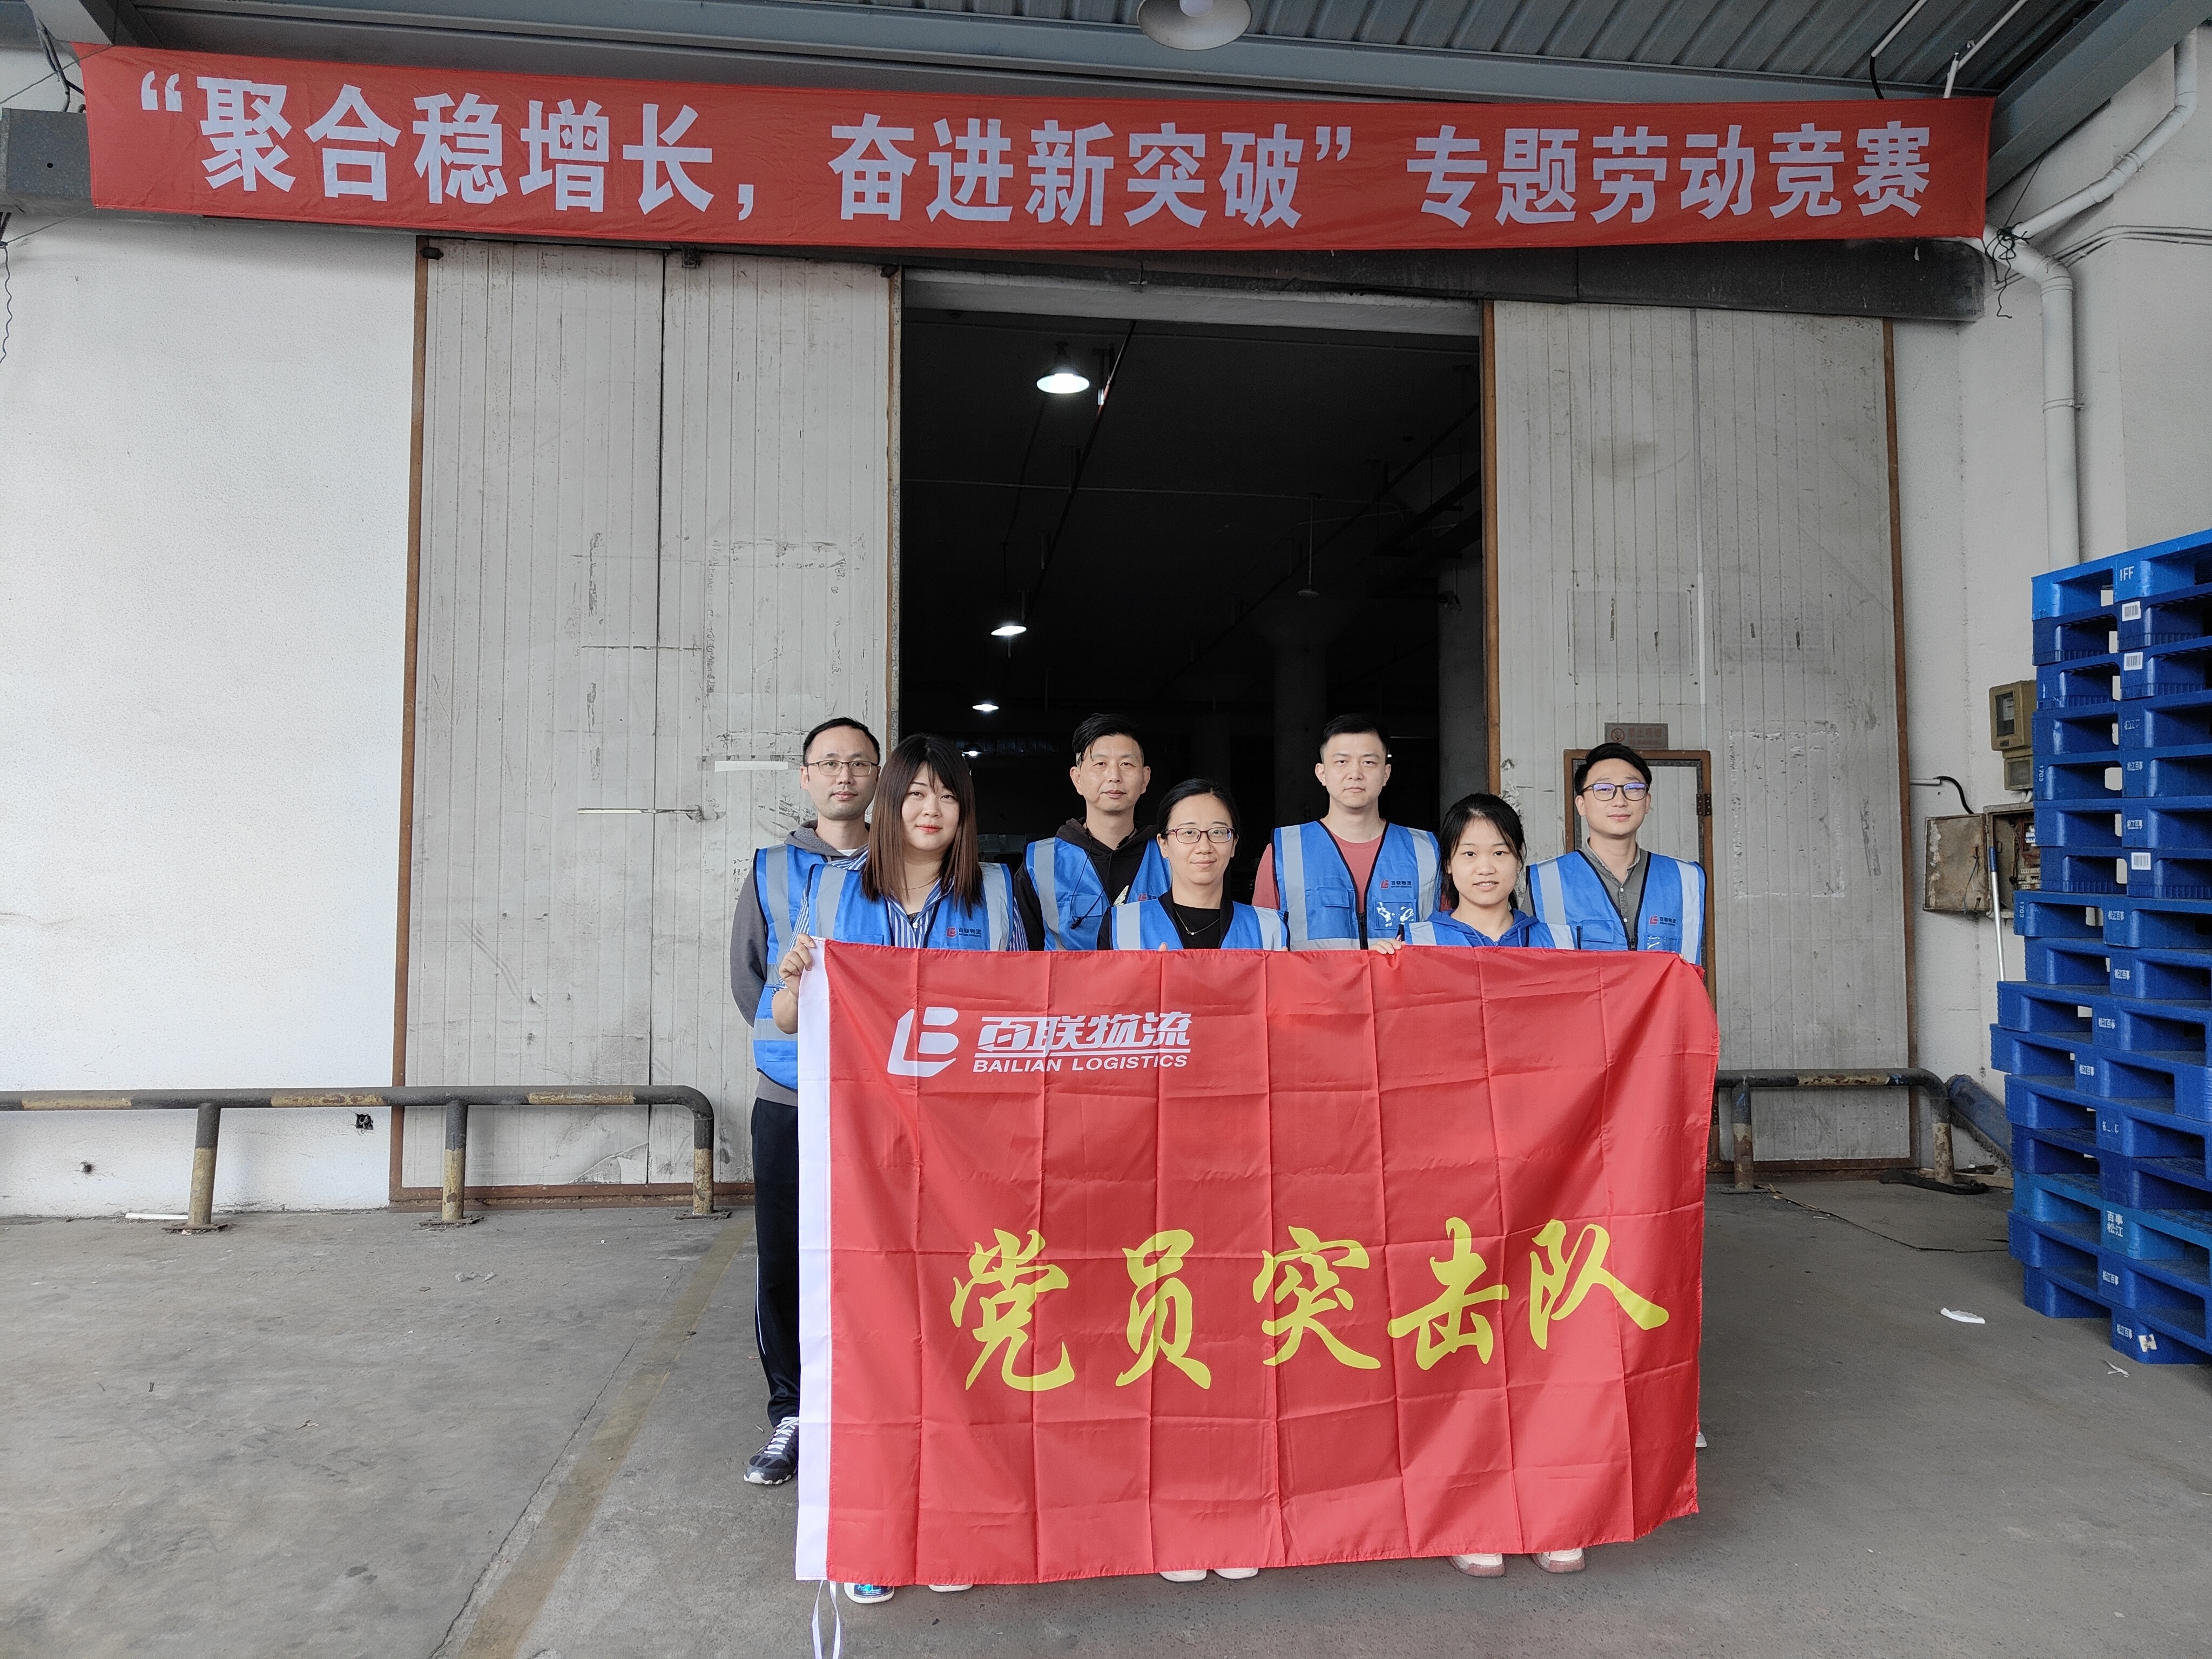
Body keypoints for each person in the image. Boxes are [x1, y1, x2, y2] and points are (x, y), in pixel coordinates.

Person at [771, 732, 1021, 1608]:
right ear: (887, 804)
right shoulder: (833, 892)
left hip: (967, 1159)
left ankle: (951, 1525)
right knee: (871, 1344)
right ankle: (873, 1533)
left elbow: (1023, 1013)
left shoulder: (996, 895)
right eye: (915, 792)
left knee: (961, 1339)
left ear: (964, 811)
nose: (930, 808)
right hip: (864, 1161)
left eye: (947, 795)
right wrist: (795, 980)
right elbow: (790, 1014)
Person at [729, 716, 878, 1493]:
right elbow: (749, 977)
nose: (843, 776)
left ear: (878, 776)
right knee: (785, 1253)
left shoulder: (902, 863)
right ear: (806, 777)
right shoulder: (771, 868)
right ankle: (791, 1410)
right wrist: (798, 1039)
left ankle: (867, 1404)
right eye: (829, 763)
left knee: (876, 1253)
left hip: (878, 1096)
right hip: (789, 1094)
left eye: (859, 763)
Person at [1253, 715, 1440, 949]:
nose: (1355, 773)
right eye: (1342, 762)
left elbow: (1450, 941)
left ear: (1386, 773)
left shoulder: (1426, 852)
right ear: (1322, 773)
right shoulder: (1284, 853)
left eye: (1368, 762)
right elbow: (1261, 948)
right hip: (1314, 976)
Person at [1525, 742, 1707, 966]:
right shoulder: (1546, 881)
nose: (1620, 801)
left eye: (1633, 788)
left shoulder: (1685, 878)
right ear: (1581, 805)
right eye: (1604, 789)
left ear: (1647, 802)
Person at [1017, 713, 1172, 950]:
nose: (1114, 776)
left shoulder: (1171, 857)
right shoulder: (1040, 862)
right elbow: (1021, 955)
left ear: (1145, 778)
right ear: (1077, 779)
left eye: (1126, 764)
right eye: (1101, 764)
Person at [1372, 793, 1570, 953]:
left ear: (1518, 859)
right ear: (1448, 863)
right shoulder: (1417, 943)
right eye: (1470, 854)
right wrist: (1380, 969)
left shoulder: (1559, 944)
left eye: (1499, 853)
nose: (1486, 869)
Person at [1108, 779, 1287, 952]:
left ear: (1233, 844)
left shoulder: (1269, 929)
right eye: (1188, 832)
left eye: (1218, 832)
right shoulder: (1122, 926)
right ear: (1163, 845)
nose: (1204, 847)